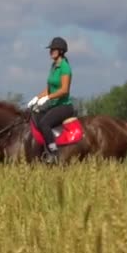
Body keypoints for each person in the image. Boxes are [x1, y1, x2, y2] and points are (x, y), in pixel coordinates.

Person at [26, 36, 74, 164]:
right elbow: (49, 89)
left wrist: (48, 98)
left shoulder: (65, 67)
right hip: (53, 104)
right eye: (50, 49)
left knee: (44, 123)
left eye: (53, 49)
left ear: (61, 51)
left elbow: (64, 90)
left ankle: (54, 153)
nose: (51, 51)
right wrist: (37, 98)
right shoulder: (53, 66)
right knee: (34, 116)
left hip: (64, 106)